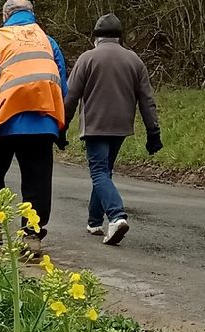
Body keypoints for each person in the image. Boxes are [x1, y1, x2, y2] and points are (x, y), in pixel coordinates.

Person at [0, 0, 68, 256]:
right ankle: (32, 237)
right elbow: (61, 85)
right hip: (44, 121)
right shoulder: (48, 41)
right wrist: (61, 122)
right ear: (32, 15)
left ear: (5, 15)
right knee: (37, 180)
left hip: (6, 120)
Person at [63, 14, 162, 246]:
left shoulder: (87, 58)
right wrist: (153, 131)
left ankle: (116, 216)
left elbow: (71, 97)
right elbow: (146, 99)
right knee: (104, 171)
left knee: (98, 172)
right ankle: (94, 221)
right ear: (120, 37)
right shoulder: (134, 60)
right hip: (121, 127)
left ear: (95, 37)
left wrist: (60, 128)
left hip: (95, 125)